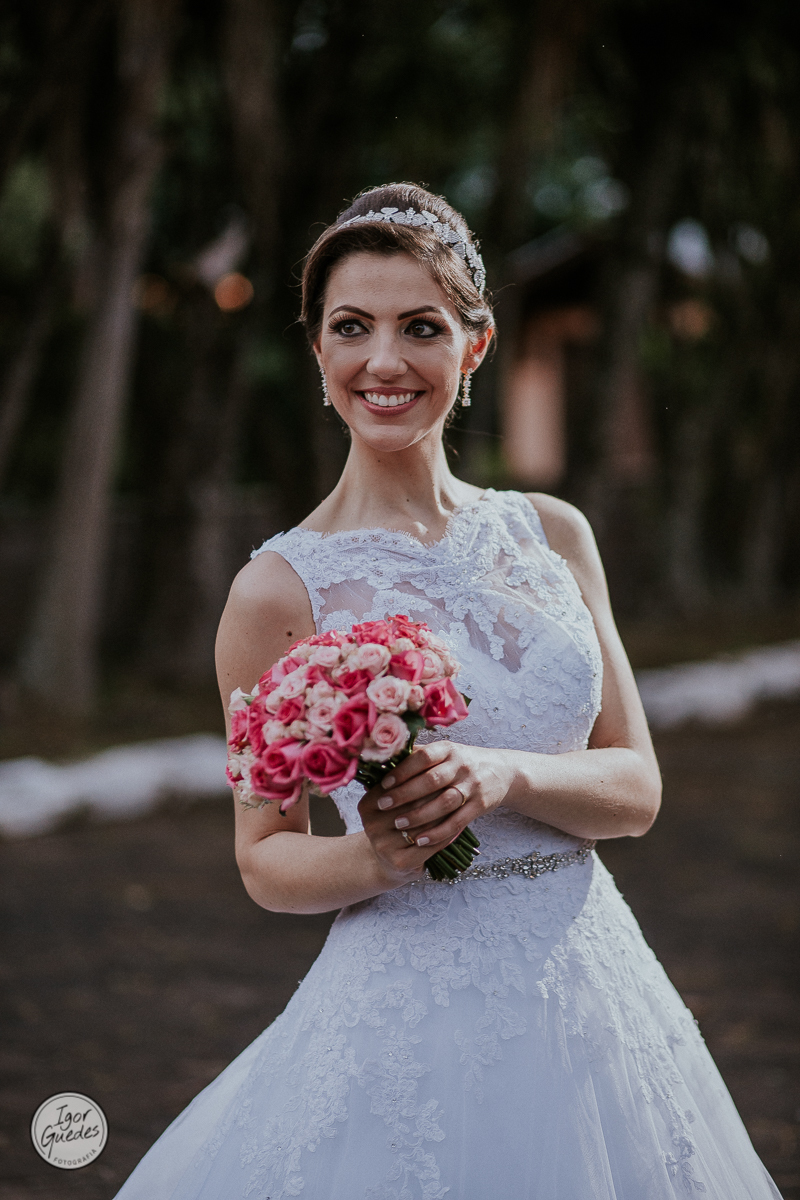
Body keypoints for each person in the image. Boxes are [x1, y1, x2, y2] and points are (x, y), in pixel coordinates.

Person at [115, 183, 781, 1199]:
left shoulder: (554, 535)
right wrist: (376, 857)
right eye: (352, 328)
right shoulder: (274, 591)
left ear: (472, 348)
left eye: (419, 326)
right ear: (319, 354)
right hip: (402, 1009)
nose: (383, 361)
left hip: (590, 987)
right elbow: (262, 855)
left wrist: (502, 775)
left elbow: (636, 788)